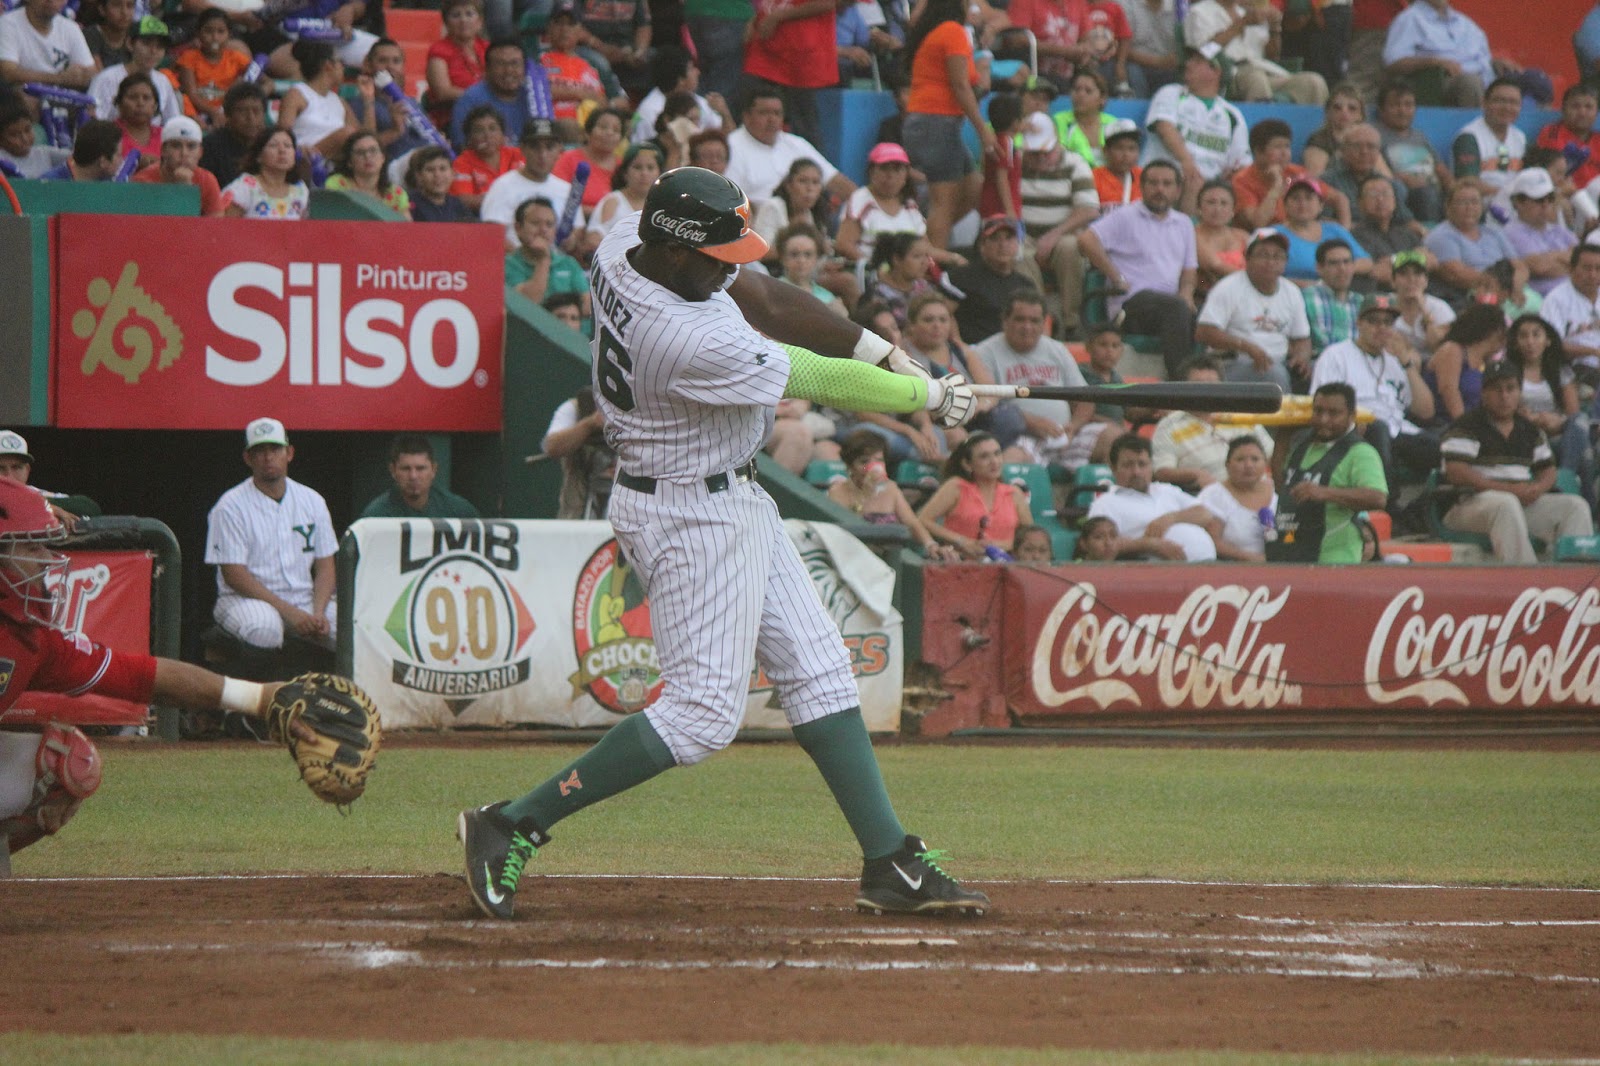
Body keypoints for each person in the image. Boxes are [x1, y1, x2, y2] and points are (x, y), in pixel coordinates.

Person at [456, 165, 989, 921]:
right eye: (718, 255)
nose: (731, 266)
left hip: (728, 495)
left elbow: (769, 299)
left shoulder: (624, 240)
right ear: (676, 252)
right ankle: (510, 822)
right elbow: (809, 373)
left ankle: (888, 861)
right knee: (704, 714)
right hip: (684, 514)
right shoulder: (680, 334)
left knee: (820, 673)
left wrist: (883, 350)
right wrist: (929, 394)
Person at [0, 478, 322, 877]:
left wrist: (256, 697)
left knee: (68, 759)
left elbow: (143, 676)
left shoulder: (32, 639)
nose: (46, 559)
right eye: (31, 546)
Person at [1438, 360, 1594, 563]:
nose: (1504, 396)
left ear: (1519, 392)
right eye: (1497, 390)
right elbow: (1456, 472)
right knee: (1505, 503)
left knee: (1575, 506)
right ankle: (1526, 580)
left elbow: (1548, 470)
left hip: (1519, 503)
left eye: (1511, 389)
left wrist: (1537, 489)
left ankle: (1576, 581)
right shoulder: (1467, 425)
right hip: (1468, 506)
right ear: (1484, 393)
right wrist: (1508, 490)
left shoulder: (1529, 430)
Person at [206, 418, 336, 653]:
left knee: (354, 628)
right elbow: (235, 575)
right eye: (259, 451)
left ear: (289, 453)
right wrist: (291, 614)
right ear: (248, 458)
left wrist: (317, 613)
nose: (268, 457)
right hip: (245, 600)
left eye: (275, 449)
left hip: (305, 599)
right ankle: (260, 691)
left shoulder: (312, 501)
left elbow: (326, 567)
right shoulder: (229, 506)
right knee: (264, 629)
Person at [1309, 291, 1438, 497]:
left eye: (1388, 323)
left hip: (1398, 432)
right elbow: (1322, 405)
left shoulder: (1396, 361)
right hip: (1361, 430)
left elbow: (1425, 412)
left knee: (1445, 446)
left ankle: (1419, 511)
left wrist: (1406, 363)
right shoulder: (1336, 355)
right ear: (1359, 323)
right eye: (1374, 321)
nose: (1382, 328)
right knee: (1379, 429)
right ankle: (1388, 509)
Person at [1078, 159, 1199, 377]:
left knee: (1201, 312)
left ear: (1178, 190)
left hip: (1168, 307)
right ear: (1142, 187)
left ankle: (1206, 382)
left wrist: (1187, 292)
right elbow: (1086, 240)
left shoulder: (1184, 223)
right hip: (1130, 306)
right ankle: (1181, 383)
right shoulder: (1125, 216)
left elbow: (1189, 270)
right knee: (1176, 309)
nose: (1159, 189)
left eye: (1166, 184)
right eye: (1153, 183)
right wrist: (1115, 276)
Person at [970, 289, 1097, 468]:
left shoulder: (1057, 349)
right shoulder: (984, 353)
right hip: (1020, 437)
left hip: (1064, 436)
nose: (1027, 327)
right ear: (1005, 321)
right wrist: (1031, 422)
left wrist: (1073, 427)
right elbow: (987, 404)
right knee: (1010, 460)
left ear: (1044, 323)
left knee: (1114, 439)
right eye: (1020, 319)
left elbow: (1086, 398)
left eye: (1034, 320)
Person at [901, 0, 990, 253]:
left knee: (974, 188)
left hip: (936, 123)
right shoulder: (953, 32)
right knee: (944, 202)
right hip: (936, 123)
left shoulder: (939, 31)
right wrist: (983, 131)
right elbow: (960, 86)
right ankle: (934, 267)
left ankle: (922, 246)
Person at [1267, 381, 1389, 562]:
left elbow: (1378, 497)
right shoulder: (1303, 446)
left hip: (1332, 559)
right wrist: (1284, 435)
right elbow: (1281, 487)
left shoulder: (1360, 452)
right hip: (1291, 553)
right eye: (1318, 411)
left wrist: (1323, 493)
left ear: (1352, 416)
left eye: (1334, 413)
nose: (1324, 419)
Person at [1195, 227, 1310, 391]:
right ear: (1247, 258)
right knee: (1275, 375)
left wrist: (1301, 357)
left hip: (1280, 362)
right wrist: (1246, 347)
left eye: (1278, 256)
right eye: (1263, 255)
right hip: (1232, 362)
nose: (1271, 261)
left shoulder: (1291, 291)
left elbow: (1302, 338)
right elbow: (1204, 332)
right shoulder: (1229, 287)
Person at [1141, 45, 1250, 216]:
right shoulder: (1172, 93)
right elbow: (1164, 126)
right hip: (1163, 178)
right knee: (1188, 180)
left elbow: (1241, 162)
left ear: (1216, 71)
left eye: (1198, 61)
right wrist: (1187, 163)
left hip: (1206, 190)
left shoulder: (1232, 114)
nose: (1189, 64)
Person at [1019, 115, 1099, 337]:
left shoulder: (1075, 163)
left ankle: (1070, 321)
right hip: (1024, 234)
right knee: (1018, 253)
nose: (1041, 158)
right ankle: (1038, 316)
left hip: (1063, 232)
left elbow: (1089, 209)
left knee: (1070, 248)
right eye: (1035, 154)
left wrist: (1053, 235)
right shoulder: (1017, 162)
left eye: (1046, 152)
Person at [1087, 432, 1221, 560]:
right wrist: (1149, 545)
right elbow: (1099, 544)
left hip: (1208, 566)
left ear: (1151, 465)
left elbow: (1205, 514)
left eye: (1142, 464)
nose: (1136, 472)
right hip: (1155, 572)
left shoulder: (1166, 490)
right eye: (1128, 465)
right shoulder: (1106, 503)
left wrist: (1171, 518)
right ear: (1113, 468)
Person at [1504, 313, 1593, 503]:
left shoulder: (1560, 371)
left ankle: (1566, 474)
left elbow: (1573, 413)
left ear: (1547, 340)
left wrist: (1558, 422)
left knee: (1580, 425)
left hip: (1560, 434)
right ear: (1516, 342)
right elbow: (1509, 409)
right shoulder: (1508, 371)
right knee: (1585, 450)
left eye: (1536, 335)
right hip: (1527, 435)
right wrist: (1537, 420)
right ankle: (1585, 501)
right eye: (1524, 336)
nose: (1530, 342)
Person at [1150, 355, 1274, 490]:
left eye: (1211, 384)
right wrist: (1195, 474)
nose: (1205, 391)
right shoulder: (1169, 425)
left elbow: (1271, 455)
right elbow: (1161, 471)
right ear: (1183, 388)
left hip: (1256, 493)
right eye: (1198, 385)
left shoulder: (1242, 415)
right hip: (1203, 497)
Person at [829, 430, 959, 559]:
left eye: (879, 460)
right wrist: (865, 495)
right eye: (864, 462)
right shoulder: (838, 491)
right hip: (853, 557)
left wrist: (930, 545)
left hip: (887, 558)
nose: (872, 467)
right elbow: (845, 529)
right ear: (850, 466)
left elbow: (912, 522)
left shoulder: (890, 489)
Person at [1183, 0, 1328, 105]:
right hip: (1228, 74)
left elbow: (1273, 56)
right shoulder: (1199, 12)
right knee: (1255, 78)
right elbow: (1203, 53)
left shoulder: (1247, 12)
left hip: (1265, 71)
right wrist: (1242, 23)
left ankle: (1312, 141)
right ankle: (1263, 139)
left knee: (1313, 82)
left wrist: (1274, 28)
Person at [723, 88, 853, 206]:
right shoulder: (731, 146)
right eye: (764, 113)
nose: (772, 119)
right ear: (746, 116)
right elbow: (730, 200)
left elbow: (836, 182)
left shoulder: (796, 144)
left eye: (777, 113)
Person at [917, 431, 1035, 558]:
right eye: (984, 456)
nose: (994, 461)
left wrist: (998, 546)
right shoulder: (956, 487)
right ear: (967, 464)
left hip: (1005, 564)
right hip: (960, 562)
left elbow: (1031, 538)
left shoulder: (1014, 493)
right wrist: (963, 541)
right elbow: (923, 520)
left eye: (997, 453)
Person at [739, 0, 837, 148]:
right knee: (754, 116)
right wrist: (755, 20)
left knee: (803, 127)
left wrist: (777, 17)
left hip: (799, 58)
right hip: (765, 53)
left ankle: (809, 168)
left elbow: (826, 3)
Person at [1233, 118, 1347, 231]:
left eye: (1287, 146)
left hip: (1297, 233)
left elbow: (1339, 199)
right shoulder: (1241, 181)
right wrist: (1276, 186)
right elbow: (1258, 223)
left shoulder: (1297, 172)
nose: (1284, 153)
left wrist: (1344, 231)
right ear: (1258, 152)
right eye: (1277, 147)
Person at [481, 118, 578, 250]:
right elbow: (491, 233)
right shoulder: (502, 186)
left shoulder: (566, 190)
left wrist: (571, 241)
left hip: (557, 265)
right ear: (522, 149)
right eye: (535, 147)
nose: (542, 154)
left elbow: (577, 230)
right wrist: (525, 260)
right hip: (514, 266)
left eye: (549, 147)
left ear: (559, 150)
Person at [939, 216, 1038, 344]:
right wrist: (961, 346)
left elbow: (1038, 319)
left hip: (1015, 353)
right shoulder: (962, 277)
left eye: (1009, 238)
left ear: (1017, 244)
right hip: (972, 352)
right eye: (995, 239)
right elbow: (943, 314)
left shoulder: (1025, 285)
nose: (1003, 245)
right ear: (982, 246)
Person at [837, 141, 936, 269]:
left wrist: (953, 258)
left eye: (897, 170)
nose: (890, 176)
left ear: (906, 175)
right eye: (884, 169)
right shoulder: (860, 199)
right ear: (872, 172)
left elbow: (925, 247)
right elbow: (843, 245)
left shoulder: (910, 205)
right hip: (871, 277)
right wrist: (876, 268)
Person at [1424, 183, 1525, 308]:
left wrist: (1515, 287)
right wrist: (1500, 287)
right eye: (1462, 202)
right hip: (1473, 295)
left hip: (1510, 289)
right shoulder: (1441, 236)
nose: (1469, 207)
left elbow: (1520, 266)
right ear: (1448, 207)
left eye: (1475, 202)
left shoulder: (1493, 232)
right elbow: (1456, 274)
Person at [1380, 0, 1493, 108]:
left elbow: (1483, 59)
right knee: (1470, 83)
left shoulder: (1465, 24)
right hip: (1439, 82)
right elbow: (1393, 62)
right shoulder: (1409, 19)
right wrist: (1434, 62)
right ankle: (1475, 127)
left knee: (1506, 88)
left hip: (1483, 81)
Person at [1324, 123, 1422, 243]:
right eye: (1356, 146)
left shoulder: (1388, 184)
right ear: (1343, 150)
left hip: (1384, 240)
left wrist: (1424, 232)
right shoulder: (1327, 181)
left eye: (1371, 146)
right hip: (1344, 239)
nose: (1364, 152)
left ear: (1378, 152)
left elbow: (1405, 220)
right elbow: (1320, 220)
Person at [1273, 176, 1372, 286]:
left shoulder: (1335, 230)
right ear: (1285, 205)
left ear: (1320, 205)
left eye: (1309, 198)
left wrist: (1337, 269)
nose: (1302, 204)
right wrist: (1314, 285)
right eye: (1295, 198)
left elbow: (1366, 262)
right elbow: (1271, 274)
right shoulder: (1274, 235)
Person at [1376, 80, 1450, 224]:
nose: (1402, 110)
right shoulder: (1376, 136)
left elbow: (1441, 170)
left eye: (1408, 105)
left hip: (1433, 188)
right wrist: (1402, 179)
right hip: (1404, 194)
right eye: (1395, 105)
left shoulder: (1420, 137)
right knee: (1426, 194)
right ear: (1381, 110)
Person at [505, 196, 592, 319]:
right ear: (518, 228)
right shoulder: (507, 264)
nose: (543, 230)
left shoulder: (568, 263)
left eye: (549, 224)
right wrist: (543, 260)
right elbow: (527, 306)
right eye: (535, 223)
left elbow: (587, 306)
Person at [358, 435, 481, 520]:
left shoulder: (459, 512)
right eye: (406, 469)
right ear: (393, 470)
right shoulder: (376, 516)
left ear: (434, 469)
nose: (413, 476)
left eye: (420, 468)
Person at [631, 46, 730, 147]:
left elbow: (725, 138)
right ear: (681, 81)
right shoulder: (649, 111)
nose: (697, 72)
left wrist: (724, 114)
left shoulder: (698, 100)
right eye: (691, 68)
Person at [1197, 435, 1277, 560]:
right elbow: (1212, 541)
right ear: (1227, 465)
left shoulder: (1277, 491)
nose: (1249, 465)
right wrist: (1251, 558)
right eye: (1240, 460)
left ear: (1265, 463)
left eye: (1255, 459)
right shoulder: (1214, 495)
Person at [0, 430, 98, 530]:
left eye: (16, 467)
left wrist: (42, 504)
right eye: (0, 468)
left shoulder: (35, 494)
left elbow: (89, 507)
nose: (9, 476)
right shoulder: (38, 501)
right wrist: (41, 507)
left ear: (27, 470)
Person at [89, 15, 180, 124]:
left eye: (159, 47)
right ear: (130, 44)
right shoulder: (106, 78)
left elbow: (173, 122)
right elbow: (93, 122)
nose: (153, 51)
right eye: (146, 44)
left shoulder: (163, 81)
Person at [1501, 168, 1576, 298]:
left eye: (1550, 198)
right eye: (1539, 199)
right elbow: (1540, 268)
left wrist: (1551, 257)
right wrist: (1569, 260)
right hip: (1546, 299)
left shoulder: (1559, 230)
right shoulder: (1512, 232)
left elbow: (1585, 260)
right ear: (1518, 202)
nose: (1546, 204)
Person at [1425, 302, 1507, 422]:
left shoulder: (1486, 363)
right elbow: (1449, 390)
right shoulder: (1453, 350)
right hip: (1444, 422)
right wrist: (1465, 427)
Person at [130, 115, 224, 216]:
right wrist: (182, 191)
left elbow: (216, 226)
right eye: (176, 146)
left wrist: (186, 189)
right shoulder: (142, 182)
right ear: (163, 150)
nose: (184, 153)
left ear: (200, 152)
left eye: (191, 146)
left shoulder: (207, 180)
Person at [448, 37, 533, 149]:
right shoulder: (470, 100)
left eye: (515, 64)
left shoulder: (534, 97)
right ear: (487, 69)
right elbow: (462, 147)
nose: (508, 71)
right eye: (500, 64)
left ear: (525, 68)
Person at [1349, 173, 1430, 289]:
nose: (1380, 199)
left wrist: (1394, 259)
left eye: (1385, 193)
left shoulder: (1405, 233)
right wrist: (1414, 261)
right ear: (1360, 203)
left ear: (1395, 201)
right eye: (1373, 195)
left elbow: (1431, 260)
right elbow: (1379, 273)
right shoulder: (1355, 236)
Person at [173, 9, 252, 127]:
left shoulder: (236, 58)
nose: (215, 37)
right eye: (208, 31)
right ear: (198, 34)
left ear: (229, 35)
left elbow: (265, 81)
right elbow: (192, 94)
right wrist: (213, 112)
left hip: (228, 112)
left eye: (221, 32)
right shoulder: (189, 57)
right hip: (197, 112)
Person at [538, 3, 611, 128]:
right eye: (559, 23)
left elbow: (602, 103)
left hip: (585, 131)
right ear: (550, 27)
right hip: (550, 128)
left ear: (580, 30)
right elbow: (537, 91)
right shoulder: (538, 60)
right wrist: (579, 93)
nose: (564, 29)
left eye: (571, 24)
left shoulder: (589, 66)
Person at [1541, 241, 1600, 393]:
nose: (1593, 274)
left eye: (1598, 269)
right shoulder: (1556, 300)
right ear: (1571, 269)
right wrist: (1593, 352)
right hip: (1574, 367)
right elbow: (1551, 344)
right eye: (1586, 268)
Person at [0, 0, 97, 91]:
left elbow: (90, 74)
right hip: (21, 98)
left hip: (62, 100)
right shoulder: (7, 24)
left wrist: (78, 76)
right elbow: (8, 73)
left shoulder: (71, 28)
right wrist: (60, 78)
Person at [1451, 77, 1526, 195]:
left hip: (1515, 204)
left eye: (1513, 102)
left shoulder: (1520, 137)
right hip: (1482, 205)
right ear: (1484, 103)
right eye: (1500, 101)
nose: (1507, 107)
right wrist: (1508, 195)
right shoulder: (1469, 137)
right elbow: (1468, 182)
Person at [221, 127, 311, 220]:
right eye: (273, 145)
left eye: (287, 145)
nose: (282, 151)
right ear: (259, 156)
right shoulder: (244, 187)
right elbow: (226, 226)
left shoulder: (300, 189)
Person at [425, 0, 488, 129]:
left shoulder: (487, 48)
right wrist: (480, 98)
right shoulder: (439, 50)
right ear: (446, 23)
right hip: (453, 117)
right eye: (456, 15)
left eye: (469, 14)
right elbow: (442, 92)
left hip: (489, 114)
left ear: (480, 22)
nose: (463, 20)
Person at [450, 105, 523, 214]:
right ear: (469, 139)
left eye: (493, 128)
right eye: (479, 130)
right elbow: (463, 200)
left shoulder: (519, 155)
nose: (487, 135)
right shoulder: (462, 163)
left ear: (503, 136)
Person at [553, 106, 626, 211]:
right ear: (587, 133)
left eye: (616, 130)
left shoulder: (624, 167)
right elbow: (558, 198)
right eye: (603, 127)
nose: (609, 133)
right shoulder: (569, 159)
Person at [1385, 249, 1452, 360]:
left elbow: (1439, 347)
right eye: (1403, 274)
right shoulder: (1384, 304)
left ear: (1426, 281)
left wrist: (1423, 309)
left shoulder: (1439, 307)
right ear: (1393, 281)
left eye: (1417, 274)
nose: (1411, 279)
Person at [325, 130, 411, 215]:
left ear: (383, 158)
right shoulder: (337, 184)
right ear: (350, 162)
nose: (367, 156)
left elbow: (408, 227)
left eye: (373, 150)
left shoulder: (396, 194)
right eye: (360, 152)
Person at [1303, 238, 1365, 354]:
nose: (1342, 269)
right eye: (1334, 263)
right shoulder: (1306, 298)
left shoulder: (1362, 302)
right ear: (1319, 268)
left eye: (1346, 262)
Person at [201, 82, 266, 190]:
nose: (250, 118)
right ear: (228, 115)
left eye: (256, 111)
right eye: (242, 111)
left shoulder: (271, 143)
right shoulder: (211, 146)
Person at [590, 143, 662, 238]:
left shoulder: (664, 205)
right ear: (625, 173)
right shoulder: (612, 201)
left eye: (650, 168)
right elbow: (593, 239)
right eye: (637, 167)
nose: (644, 173)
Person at [1536, 84, 1600, 190]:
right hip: (1562, 194)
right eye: (1575, 106)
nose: (1582, 113)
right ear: (1563, 109)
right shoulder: (1552, 132)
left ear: (1596, 112)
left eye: (1588, 107)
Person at [866, 231, 937, 326]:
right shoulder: (879, 293)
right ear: (897, 259)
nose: (925, 262)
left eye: (926, 256)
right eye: (917, 256)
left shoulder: (926, 289)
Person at [1194, 179, 1249, 302]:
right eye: (1211, 202)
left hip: (1244, 295)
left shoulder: (1243, 236)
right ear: (1199, 207)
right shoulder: (1192, 235)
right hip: (1205, 298)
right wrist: (1254, 278)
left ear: (1232, 211)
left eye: (1224, 203)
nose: (1217, 209)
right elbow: (1215, 266)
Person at [1303, 85, 1372, 178]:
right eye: (1337, 107)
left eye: (1352, 108)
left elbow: (1386, 178)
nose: (1344, 112)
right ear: (1328, 113)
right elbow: (1316, 180)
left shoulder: (1369, 140)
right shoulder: (1319, 140)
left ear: (1361, 115)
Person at [1053, 68, 1115, 170]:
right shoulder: (1059, 121)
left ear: (1102, 99)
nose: (1081, 95)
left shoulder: (1112, 123)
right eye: (1076, 90)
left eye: (1088, 91)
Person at [1120, 0, 1179, 99]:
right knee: (1133, 73)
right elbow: (1121, 46)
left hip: (1169, 65)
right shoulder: (1126, 4)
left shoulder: (1179, 6)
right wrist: (1159, 62)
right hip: (1136, 63)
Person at [36, 119, 121, 182]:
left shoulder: (109, 183)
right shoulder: (49, 185)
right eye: (118, 155)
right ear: (103, 162)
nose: (122, 160)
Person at [0, 98, 66, 178]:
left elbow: (77, 159)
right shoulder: (2, 160)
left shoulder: (45, 153)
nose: (24, 138)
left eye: (27, 130)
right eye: (14, 135)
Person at [110, 72, 162, 168]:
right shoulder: (109, 133)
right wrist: (133, 164)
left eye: (146, 98)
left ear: (155, 106)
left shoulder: (165, 135)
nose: (140, 103)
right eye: (133, 97)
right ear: (120, 104)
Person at [407, 146, 473, 222]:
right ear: (419, 176)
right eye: (430, 170)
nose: (437, 175)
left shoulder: (457, 205)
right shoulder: (408, 204)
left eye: (443, 169)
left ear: (453, 174)